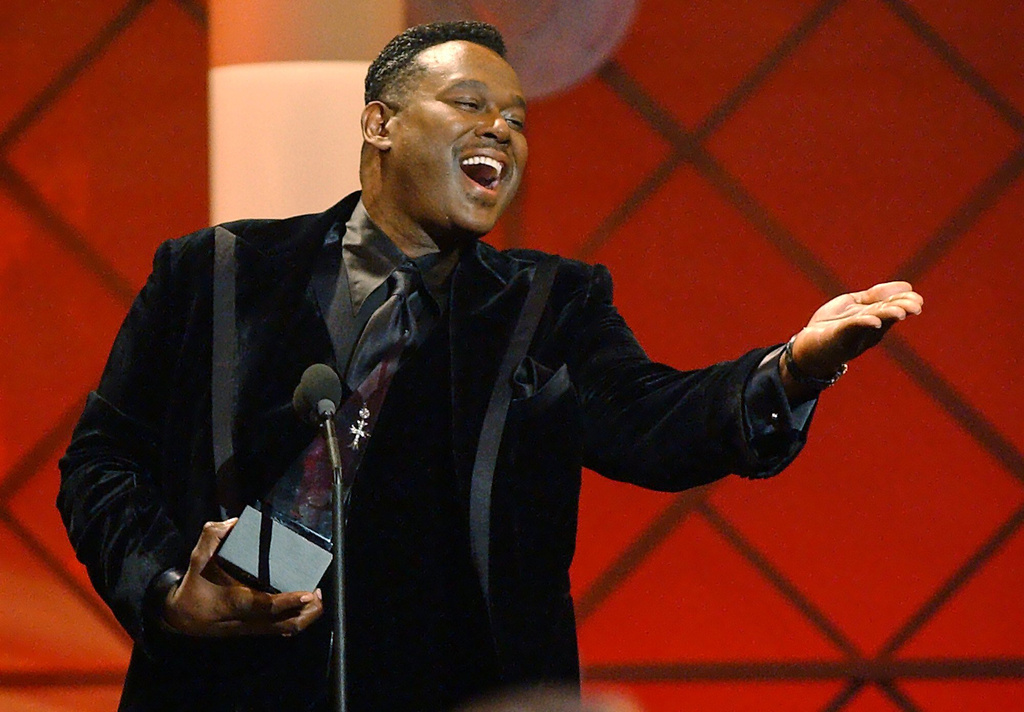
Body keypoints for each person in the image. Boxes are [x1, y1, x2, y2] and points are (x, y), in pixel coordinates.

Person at [58, 20, 922, 712]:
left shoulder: (550, 306)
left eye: (515, 118)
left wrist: (794, 369)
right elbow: (101, 461)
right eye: (468, 103)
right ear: (379, 122)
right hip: (226, 691)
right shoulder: (214, 273)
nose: (499, 129)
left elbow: (654, 421)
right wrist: (171, 589)